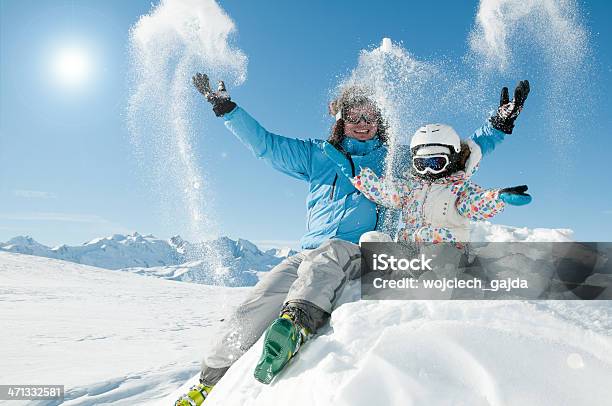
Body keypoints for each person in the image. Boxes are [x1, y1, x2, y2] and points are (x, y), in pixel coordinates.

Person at [174, 73, 528, 405]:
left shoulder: (396, 159)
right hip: (308, 256)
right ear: (341, 119)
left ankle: (299, 322)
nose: (362, 123)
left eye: (370, 116)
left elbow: (453, 155)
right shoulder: (317, 154)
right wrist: (227, 109)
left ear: (380, 120)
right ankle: (207, 384)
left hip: (364, 253)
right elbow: (266, 145)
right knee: (249, 311)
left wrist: (497, 126)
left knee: (330, 254)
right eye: (354, 115)